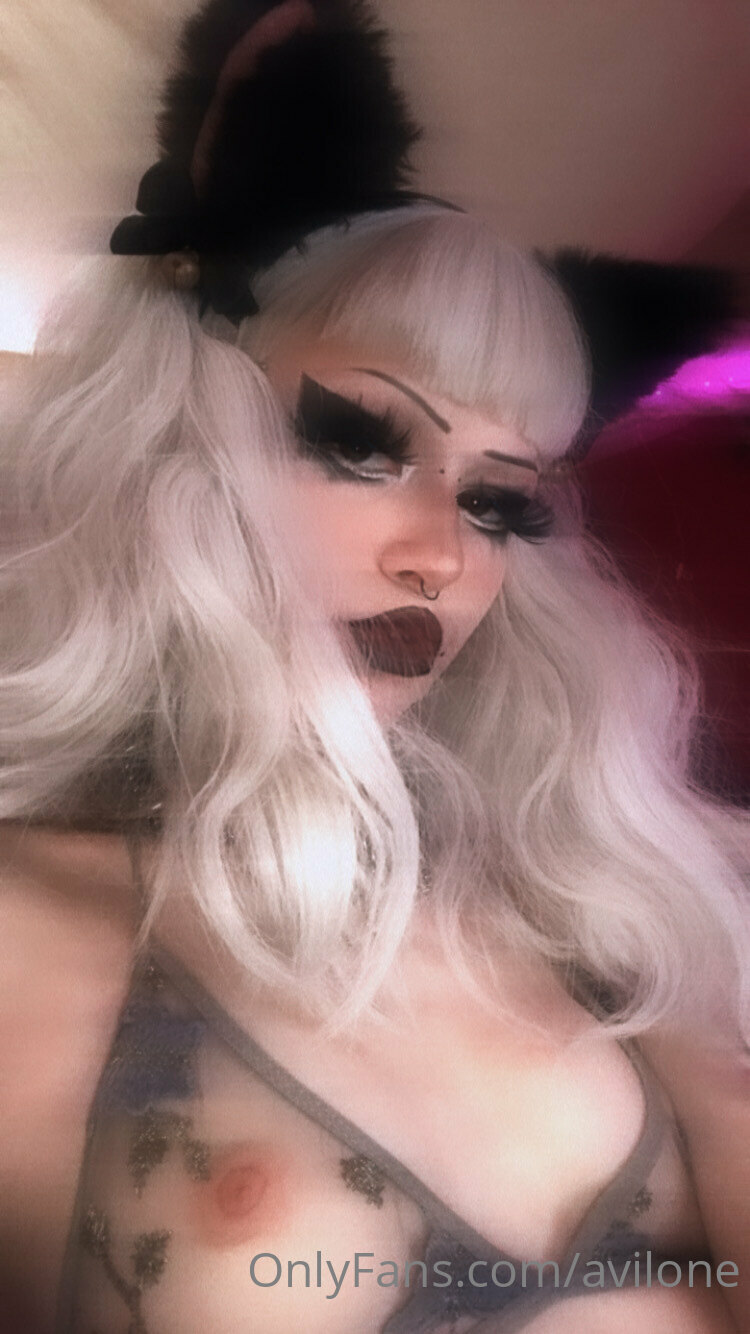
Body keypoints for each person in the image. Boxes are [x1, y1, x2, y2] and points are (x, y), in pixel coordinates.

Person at [1, 6, 748, 1334]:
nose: (440, 555)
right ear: (171, 445)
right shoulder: (32, 927)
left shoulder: (594, 915)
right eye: (362, 443)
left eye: (499, 501)